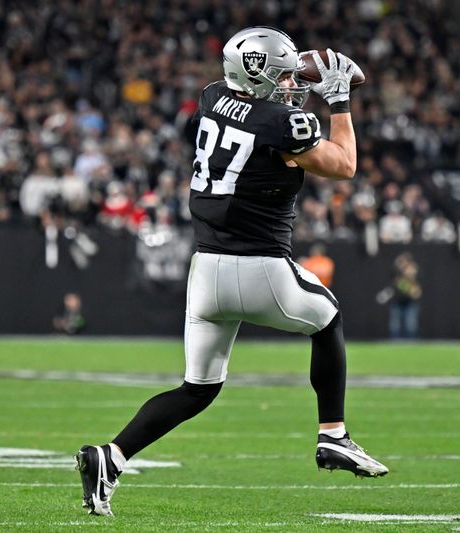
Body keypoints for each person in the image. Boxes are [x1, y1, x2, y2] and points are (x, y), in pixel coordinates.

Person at [74, 27, 388, 517]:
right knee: (327, 320)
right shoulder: (283, 124)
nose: (290, 85)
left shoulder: (212, 95)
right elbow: (345, 166)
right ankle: (335, 436)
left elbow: (259, 87)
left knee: (197, 389)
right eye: (281, 77)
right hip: (260, 268)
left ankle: (109, 457)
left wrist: (302, 62)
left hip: (206, 273)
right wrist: (340, 99)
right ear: (259, 74)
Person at [388, 252, 422, 339]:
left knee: (411, 327)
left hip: (410, 304)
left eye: (404, 262)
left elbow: (415, 292)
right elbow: (397, 283)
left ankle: (412, 346)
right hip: (398, 302)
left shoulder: (412, 271)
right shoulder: (397, 273)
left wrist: (408, 280)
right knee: (395, 327)